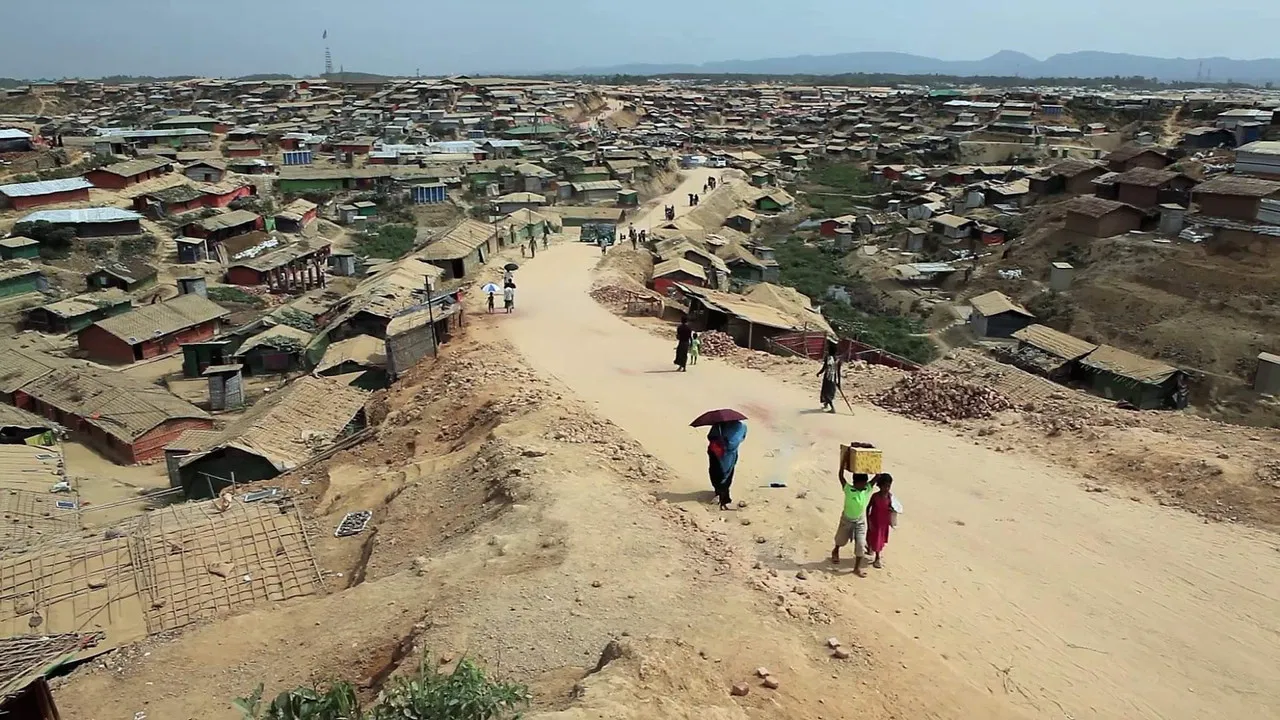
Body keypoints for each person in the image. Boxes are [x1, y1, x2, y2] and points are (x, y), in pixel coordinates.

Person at [831, 468, 874, 577]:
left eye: (865, 483)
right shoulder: (848, 489)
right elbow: (841, 476)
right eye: (861, 484)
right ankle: (836, 550)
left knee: (861, 544)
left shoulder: (867, 489)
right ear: (854, 483)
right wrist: (842, 464)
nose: (863, 486)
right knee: (841, 539)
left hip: (860, 521)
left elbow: (876, 478)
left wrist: (874, 464)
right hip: (847, 519)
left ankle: (856, 568)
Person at [706, 420, 747, 510]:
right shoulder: (741, 426)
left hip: (718, 453)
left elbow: (710, 437)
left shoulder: (719, 425)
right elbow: (740, 439)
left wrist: (721, 440)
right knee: (725, 474)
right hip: (725, 455)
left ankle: (721, 496)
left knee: (717, 473)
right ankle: (723, 498)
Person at [865, 473, 896, 569]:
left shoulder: (890, 497)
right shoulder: (875, 496)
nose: (886, 488)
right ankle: (871, 548)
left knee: (879, 540)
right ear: (879, 485)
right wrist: (868, 520)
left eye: (888, 486)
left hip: (883, 523)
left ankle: (877, 557)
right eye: (884, 486)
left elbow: (894, 507)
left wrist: (891, 511)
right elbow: (868, 508)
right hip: (874, 521)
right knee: (870, 537)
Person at [817, 343, 843, 412]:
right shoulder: (838, 360)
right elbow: (838, 372)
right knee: (830, 391)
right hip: (833, 378)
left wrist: (819, 373)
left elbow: (824, 367)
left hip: (827, 378)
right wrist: (839, 382)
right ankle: (826, 403)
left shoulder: (828, 358)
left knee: (826, 392)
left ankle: (832, 408)